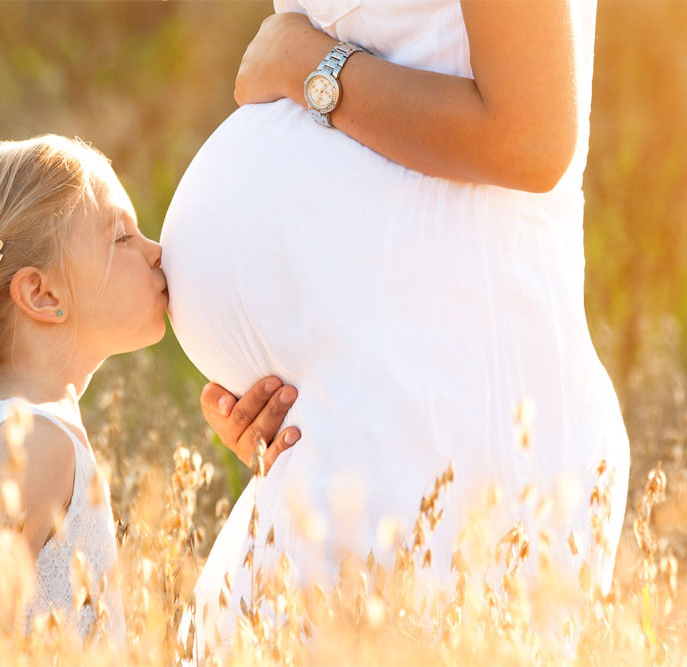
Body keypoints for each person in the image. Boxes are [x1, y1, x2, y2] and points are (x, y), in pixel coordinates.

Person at [160, 0, 630, 657]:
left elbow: (529, 139)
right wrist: (280, 375)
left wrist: (302, 64)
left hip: (458, 407)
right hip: (349, 417)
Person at [0, 135, 302, 659]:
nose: (157, 252)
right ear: (43, 295)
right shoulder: (34, 441)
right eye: (121, 238)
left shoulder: (5, 427)